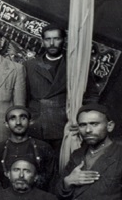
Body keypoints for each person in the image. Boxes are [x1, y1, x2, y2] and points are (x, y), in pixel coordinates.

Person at [24, 24, 97, 153]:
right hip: (37, 126)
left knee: (64, 163)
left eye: (56, 39)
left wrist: (83, 121)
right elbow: (23, 97)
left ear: (64, 40)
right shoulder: (30, 65)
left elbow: (91, 96)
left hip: (66, 126)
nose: (52, 43)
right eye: (48, 39)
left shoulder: (76, 65)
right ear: (42, 41)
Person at [0, 105, 57, 191]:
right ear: (6, 124)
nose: (18, 122)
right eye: (13, 118)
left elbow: (52, 182)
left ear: (30, 122)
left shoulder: (43, 147)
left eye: (23, 118)